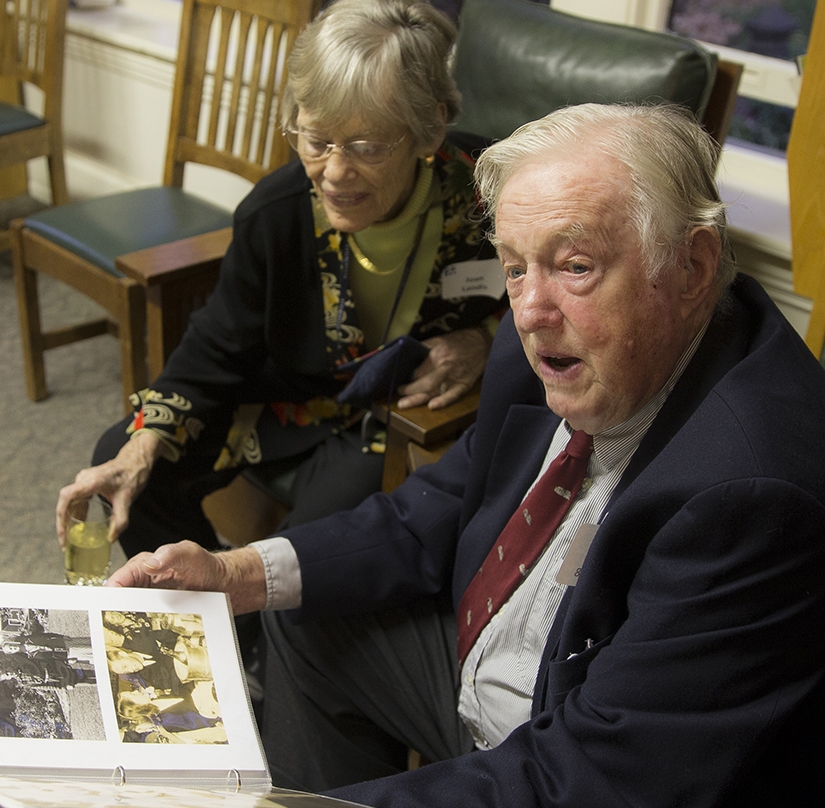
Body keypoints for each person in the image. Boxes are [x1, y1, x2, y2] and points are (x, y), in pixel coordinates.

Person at [106, 104, 825, 807]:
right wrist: (239, 573)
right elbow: (445, 501)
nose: (531, 309)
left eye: (575, 265)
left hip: (572, 750)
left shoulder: (750, 494)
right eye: (514, 267)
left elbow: (595, 777)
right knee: (306, 610)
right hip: (493, 674)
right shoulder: (548, 345)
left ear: (692, 266)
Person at [55, 0, 505, 559]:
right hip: (288, 399)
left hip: (391, 418)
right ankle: (225, 638)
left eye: (366, 148)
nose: (335, 173)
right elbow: (216, 346)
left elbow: (551, 300)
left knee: (300, 557)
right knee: (127, 461)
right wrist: (143, 444)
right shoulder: (276, 212)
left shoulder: (493, 193)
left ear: (430, 127)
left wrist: (484, 340)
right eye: (316, 141)